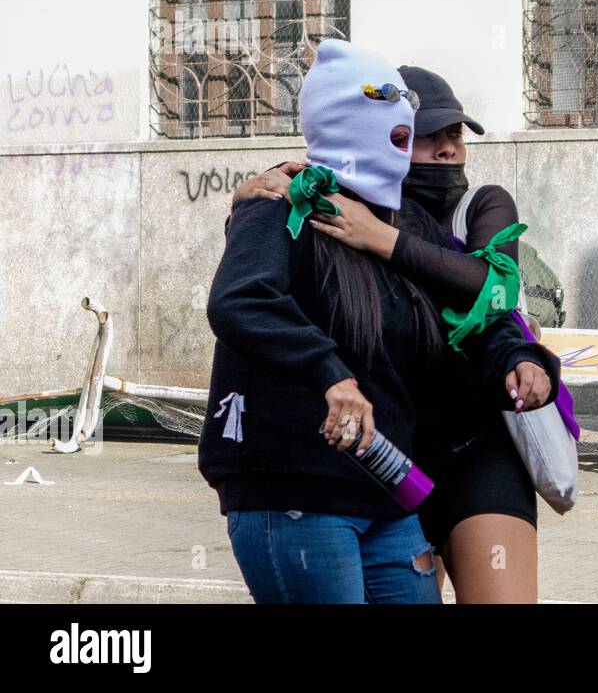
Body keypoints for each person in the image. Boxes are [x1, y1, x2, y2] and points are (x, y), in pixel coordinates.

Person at [201, 39, 556, 604]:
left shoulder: (407, 221)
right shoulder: (283, 203)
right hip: (298, 490)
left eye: (410, 128)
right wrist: (331, 374)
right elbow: (240, 299)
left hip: (389, 491)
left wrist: (521, 356)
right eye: (410, 134)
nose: (436, 150)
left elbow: (473, 300)